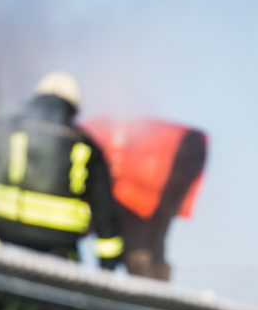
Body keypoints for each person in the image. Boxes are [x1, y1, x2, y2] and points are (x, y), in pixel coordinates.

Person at [0, 71, 124, 268]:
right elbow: (105, 212)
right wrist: (108, 268)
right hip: (61, 249)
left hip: (4, 238)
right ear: (73, 109)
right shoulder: (87, 147)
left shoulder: (8, 129)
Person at [79, 118, 207, 280]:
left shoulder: (85, 139)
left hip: (151, 178)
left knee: (141, 251)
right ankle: (152, 288)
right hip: (177, 153)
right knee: (149, 248)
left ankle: (149, 287)